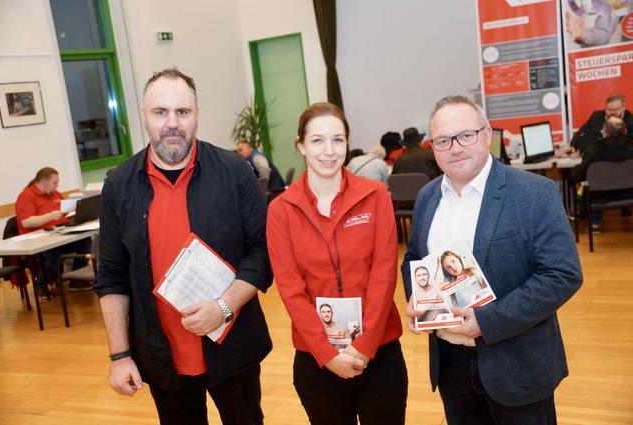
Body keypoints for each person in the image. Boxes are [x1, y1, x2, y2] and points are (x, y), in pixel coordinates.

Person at [94, 68, 273, 425]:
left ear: (196, 115)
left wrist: (224, 306)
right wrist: (119, 355)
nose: (172, 123)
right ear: (144, 115)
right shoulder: (118, 185)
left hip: (232, 346)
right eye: (161, 112)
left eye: (182, 112)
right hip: (161, 355)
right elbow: (112, 277)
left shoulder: (234, 171)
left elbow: (263, 251)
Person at [402, 95, 583, 424]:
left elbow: (562, 274)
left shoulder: (534, 193)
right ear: (433, 146)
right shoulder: (427, 197)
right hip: (450, 363)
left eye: (466, 135)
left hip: (517, 362)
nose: (455, 147)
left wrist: (487, 321)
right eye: (443, 140)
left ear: (487, 134)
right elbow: (414, 257)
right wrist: (416, 296)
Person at [267, 102, 408, 425]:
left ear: (347, 142)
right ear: (300, 144)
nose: (328, 151)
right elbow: (290, 289)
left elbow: (383, 275)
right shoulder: (281, 210)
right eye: (317, 140)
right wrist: (327, 354)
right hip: (317, 357)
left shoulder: (375, 196)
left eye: (338, 139)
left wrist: (364, 347)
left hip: (379, 351)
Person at [15, 167, 91, 296]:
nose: (57, 186)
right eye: (55, 182)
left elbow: (65, 210)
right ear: (44, 181)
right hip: (38, 239)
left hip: (58, 233)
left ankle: (76, 280)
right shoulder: (26, 195)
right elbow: (26, 222)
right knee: (53, 252)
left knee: (85, 242)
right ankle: (41, 283)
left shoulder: (53, 193)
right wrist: (50, 216)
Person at [570, 116, 633, 233]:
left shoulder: (593, 152)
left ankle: (594, 224)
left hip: (601, 197)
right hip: (630, 194)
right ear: (625, 131)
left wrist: (573, 173)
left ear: (605, 133)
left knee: (587, 187)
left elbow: (579, 175)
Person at [568, 95, 633, 153]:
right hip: (597, 153)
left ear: (623, 108)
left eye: (615, 110)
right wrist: (573, 146)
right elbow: (581, 132)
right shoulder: (596, 116)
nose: (612, 112)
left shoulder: (631, 119)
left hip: (622, 153)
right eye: (609, 110)